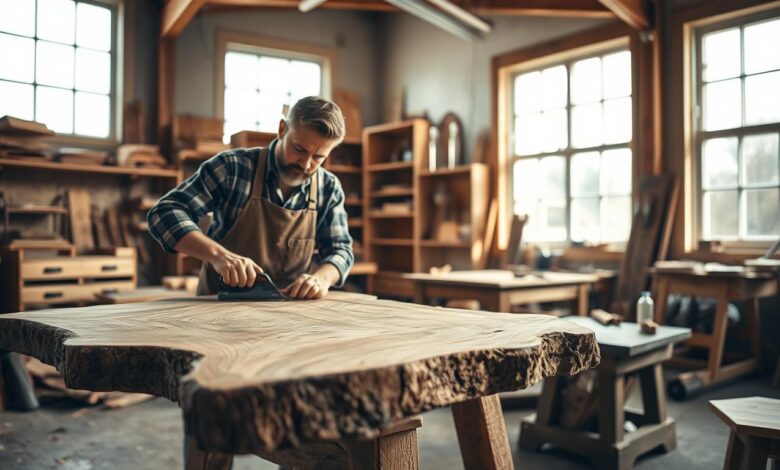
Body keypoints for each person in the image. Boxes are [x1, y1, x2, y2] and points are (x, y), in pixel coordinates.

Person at [148, 96, 353, 299]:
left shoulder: (328, 187)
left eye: (319, 157)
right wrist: (219, 256)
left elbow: (340, 250)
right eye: (299, 149)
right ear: (282, 130)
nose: (306, 164)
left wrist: (321, 279)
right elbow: (164, 213)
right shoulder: (232, 168)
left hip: (289, 312)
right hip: (218, 309)